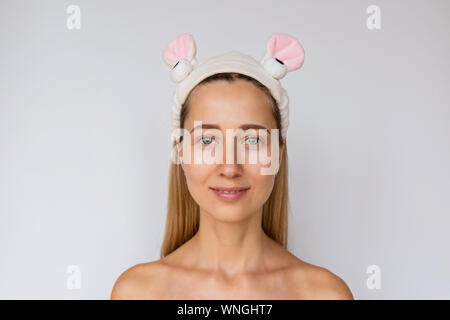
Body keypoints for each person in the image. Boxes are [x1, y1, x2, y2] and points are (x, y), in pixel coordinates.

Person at [111, 33, 353, 299]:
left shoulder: (325, 295)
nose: (230, 167)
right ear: (181, 152)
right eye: (206, 139)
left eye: (252, 139)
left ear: (279, 153)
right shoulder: (138, 292)